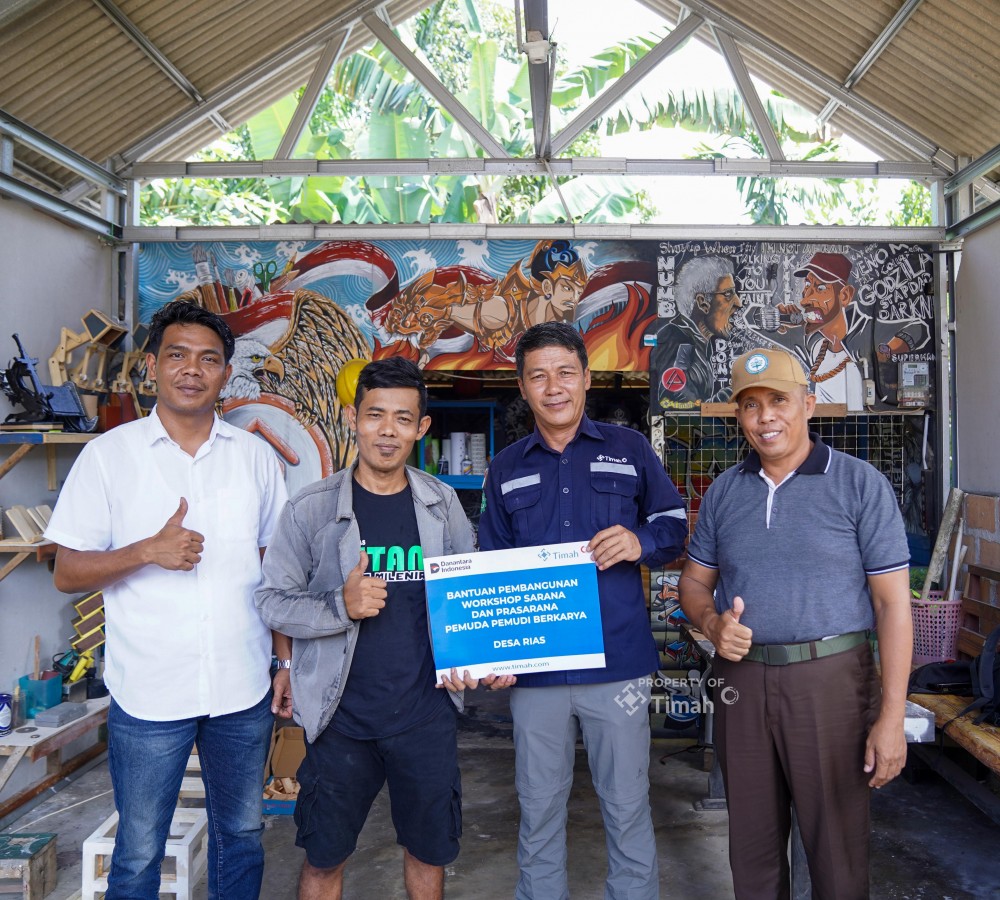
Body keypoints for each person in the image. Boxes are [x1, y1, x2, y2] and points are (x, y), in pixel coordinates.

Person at [45, 299, 291, 900]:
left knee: (243, 835)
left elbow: (277, 571)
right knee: (138, 851)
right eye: (177, 355)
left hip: (241, 688)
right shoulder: (108, 457)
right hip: (149, 692)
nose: (192, 370)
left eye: (208, 359)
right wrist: (145, 551)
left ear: (225, 373)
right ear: (152, 365)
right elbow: (67, 571)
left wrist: (285, 662)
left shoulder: (255, 458)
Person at [678, 346, 913, 899]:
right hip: (742, 681)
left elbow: (892, 606)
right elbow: (693, 584)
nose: (765, 417)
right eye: (750, 405)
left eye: (778, 401)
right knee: (752, 850)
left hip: (830, 682)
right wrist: (711, 623)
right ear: (739, 415)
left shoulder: (858, 483)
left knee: (836, 853)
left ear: (808, 404)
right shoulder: (725, 491)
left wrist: (892, 718)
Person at [254, 356, 482, 900]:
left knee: (428, 852)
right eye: (376, 415)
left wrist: (476, 654)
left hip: (425, 714)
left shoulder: (441, 503)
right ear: (353, 417)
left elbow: (468, 594)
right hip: (341, 719)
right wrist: (341, 605)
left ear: (422, 428)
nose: (387, 431)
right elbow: (271, 601)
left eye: (403, 419)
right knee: (324, 857)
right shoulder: (311, 509)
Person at [478, 322, 688, 900]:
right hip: (536, 671)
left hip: (617, 666)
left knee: (626, 803)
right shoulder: (505, 467)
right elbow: (491, 567)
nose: (554, 388)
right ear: (523, 387)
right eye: (539, 376)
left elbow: (674, 524)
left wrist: (640, 541)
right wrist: (492, 654)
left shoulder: (631, 449)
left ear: (587, 379)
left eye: (565, 373)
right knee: (539, 806)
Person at [651, 255, 743, 407]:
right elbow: (676, 405)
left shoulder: (696, 340)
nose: (738, 303)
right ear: (703, 303)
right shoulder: (677, 339)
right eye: (728, 294)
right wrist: (733, 391)